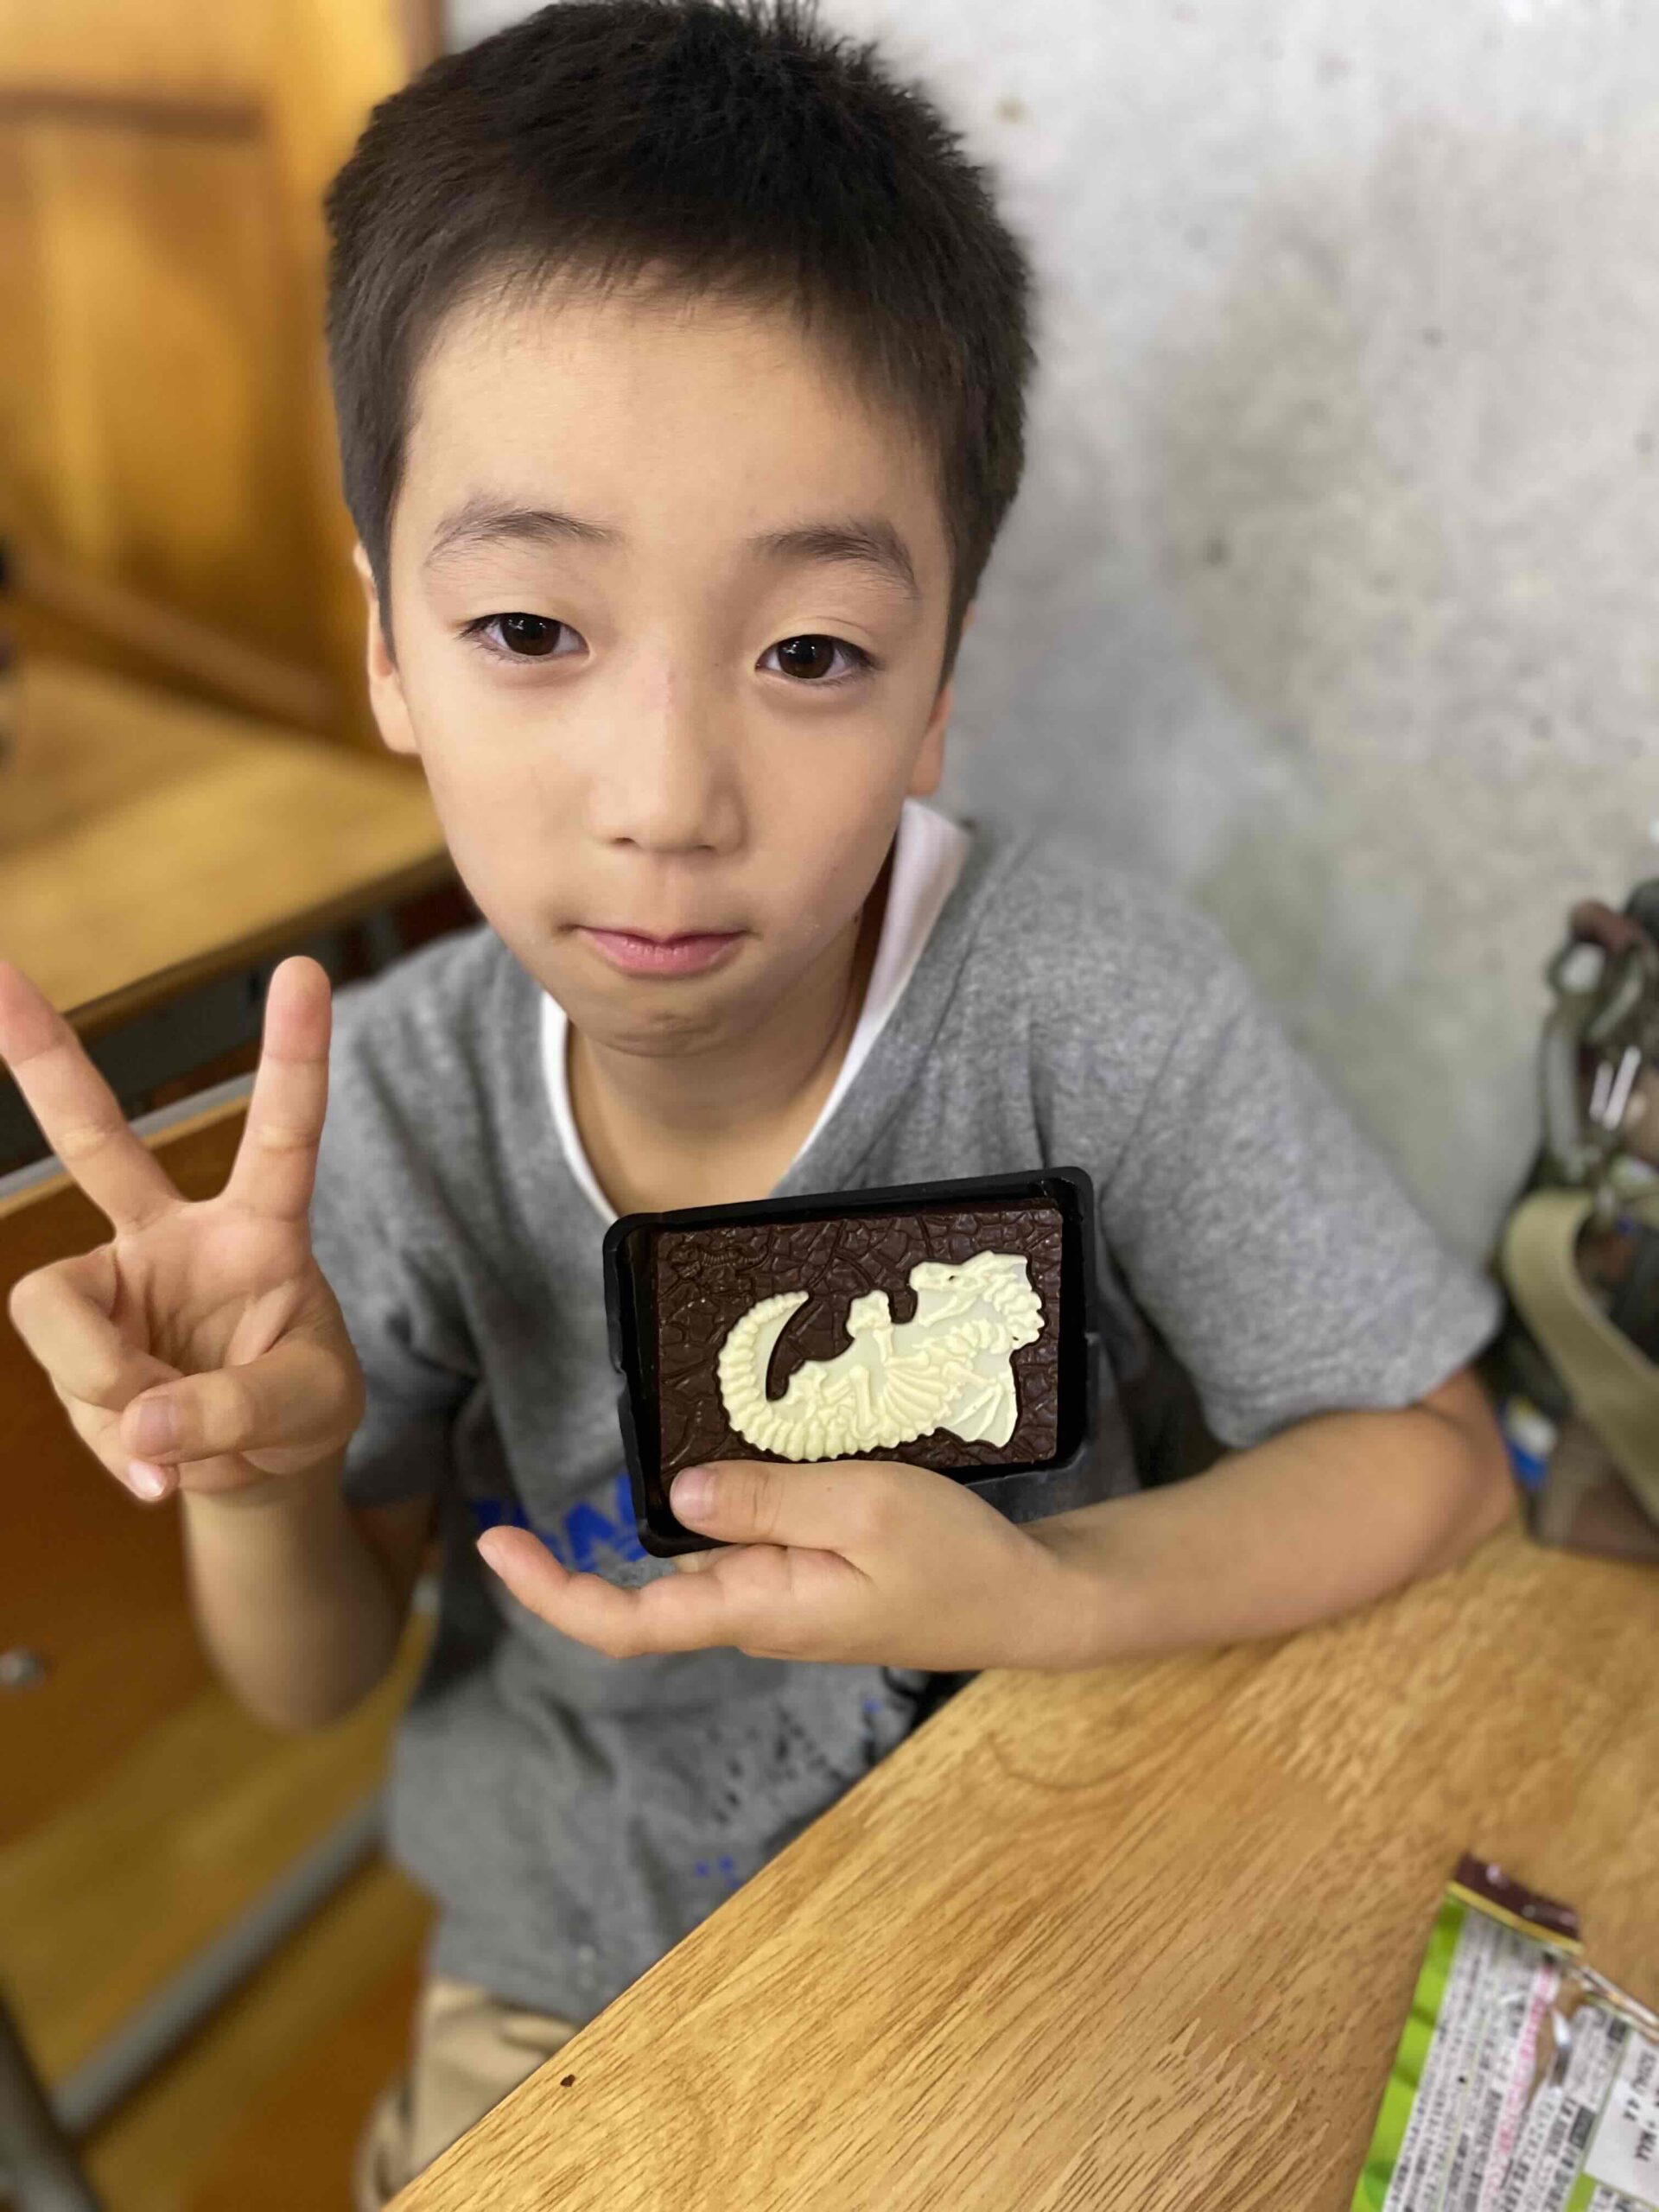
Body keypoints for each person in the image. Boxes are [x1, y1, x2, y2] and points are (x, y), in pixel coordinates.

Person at [0, 1, 1516, 2200]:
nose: (665, 798)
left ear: (934, 686)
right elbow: (310, 1685)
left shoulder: (1089, 1002)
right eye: (532, 628)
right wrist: (260, 1469)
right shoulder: (406, 1107)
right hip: (581, 1973)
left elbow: (1434, 1461)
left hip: (1064, 1850)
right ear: (390, 647)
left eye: (810, 652)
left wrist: (1037, 1592)